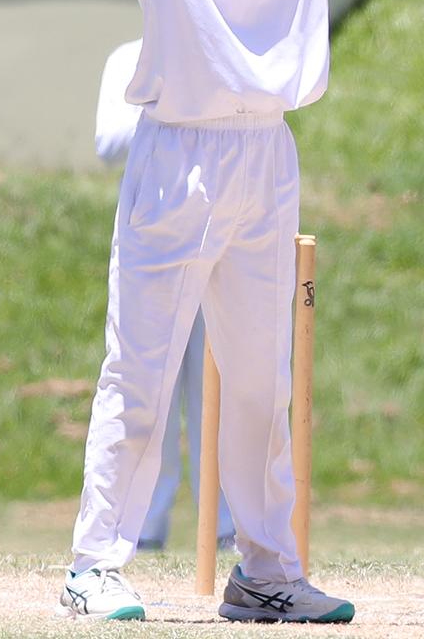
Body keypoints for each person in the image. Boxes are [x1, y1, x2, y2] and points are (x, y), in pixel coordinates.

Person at [57, 0, 424, 623]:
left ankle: (265, 572)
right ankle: (94, 566)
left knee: (261, 379)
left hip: (265, 156)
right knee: (139, 370)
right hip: (176, 157)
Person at [94, 39, 235, 551]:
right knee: (145, 389)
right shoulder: (129, 56)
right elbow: (107, 141)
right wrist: (172, 114)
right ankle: (143, 530)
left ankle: (223, 530)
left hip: (217, 237)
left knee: (218, 394)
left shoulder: (217, 46)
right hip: (153, 243)